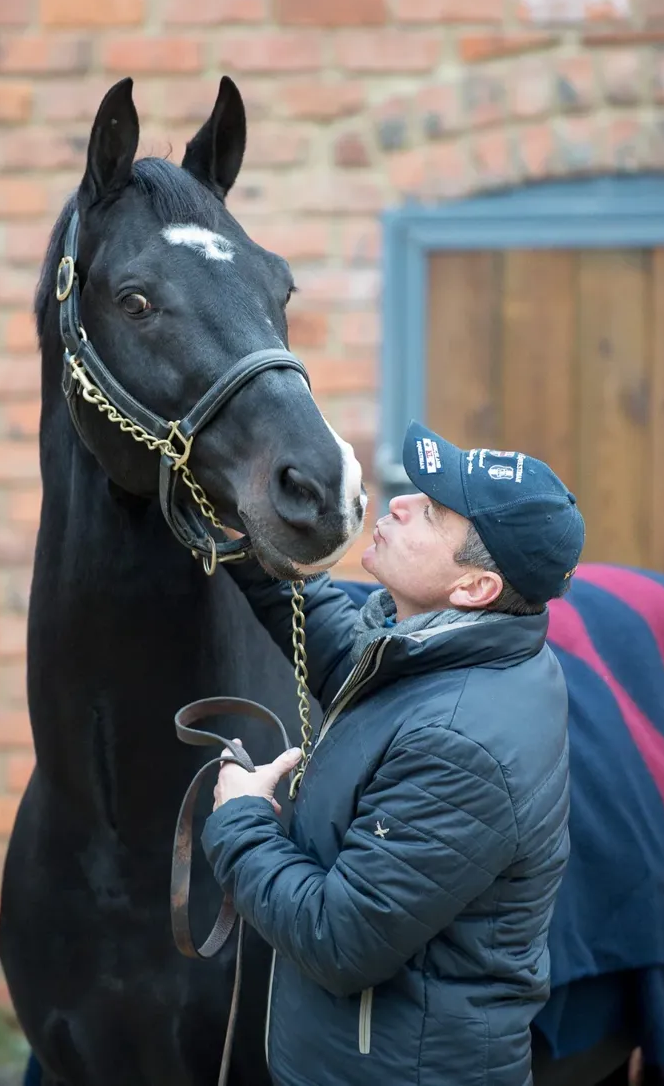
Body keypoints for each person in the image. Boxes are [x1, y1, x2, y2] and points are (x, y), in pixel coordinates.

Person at [202, 421, 586, 1086]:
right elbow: (345, 650)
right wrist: (250, 546)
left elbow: (338, 939)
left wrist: (240, 820)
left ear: (473, 589)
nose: (400, 503)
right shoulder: (455, 652)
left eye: (431, 513)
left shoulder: (461, 745)